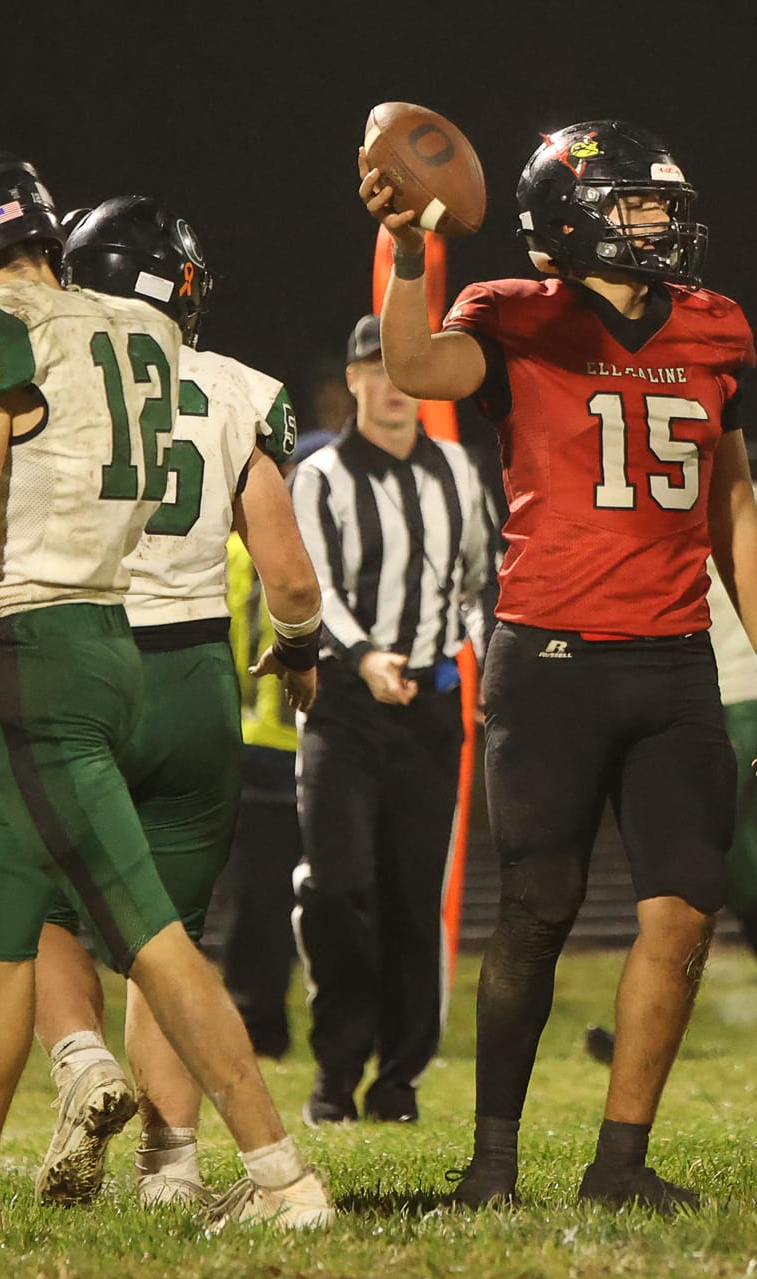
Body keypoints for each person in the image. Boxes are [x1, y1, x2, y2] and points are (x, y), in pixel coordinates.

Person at [0, 152, 331, 1239]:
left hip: (36, 648)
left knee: (145, 932)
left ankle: (282, 1176)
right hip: (128, 646)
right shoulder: (140, 332)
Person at [360, 118, 757, 1212]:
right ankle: (491, 1168)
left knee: (685, 912)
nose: (660, 221)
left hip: (675, 665)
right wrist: (411, 253)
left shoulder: (715, 325)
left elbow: (732, 505)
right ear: (572, 218)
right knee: (537, 910)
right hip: (552, 658)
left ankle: (619, 1163)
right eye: (637, 203)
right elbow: (414, 365)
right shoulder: (515, 312)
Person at [20, 196, 324, 1209]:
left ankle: (82, 1062)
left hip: (78, 653)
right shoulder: (240, 389)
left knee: (38, 900)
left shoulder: (44, 373)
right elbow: (289, 578)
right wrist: (297, 652)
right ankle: (172, 1168)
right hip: (193, 675)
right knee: (170, 933)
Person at [289, 314, 498, 1127]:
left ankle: (399, 1079)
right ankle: (337, 1071)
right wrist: (366, 655)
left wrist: (472, 655)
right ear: (352, 382)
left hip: (429, 710)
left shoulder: (457, 470)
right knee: (339, 887)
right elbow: (314, 587)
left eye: (404, 367)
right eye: (375, 369)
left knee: (415, 896)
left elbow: (480, 579)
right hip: (344, 708)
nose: (392, 383)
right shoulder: (321, 477)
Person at [588, 477, 757, 1066]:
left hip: (742, 702)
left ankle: (644, 1029)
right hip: (685, 705)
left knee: (686, 866)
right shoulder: (644, 488)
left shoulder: (753, 500)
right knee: (736, 874)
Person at [219, 426, 335, 1060]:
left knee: (281, 898)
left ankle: (272, 1023)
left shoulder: (242, 545)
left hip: (287, 744)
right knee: (270, 901)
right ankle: (263, 1024)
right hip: (277, 748)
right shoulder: (258, 551)